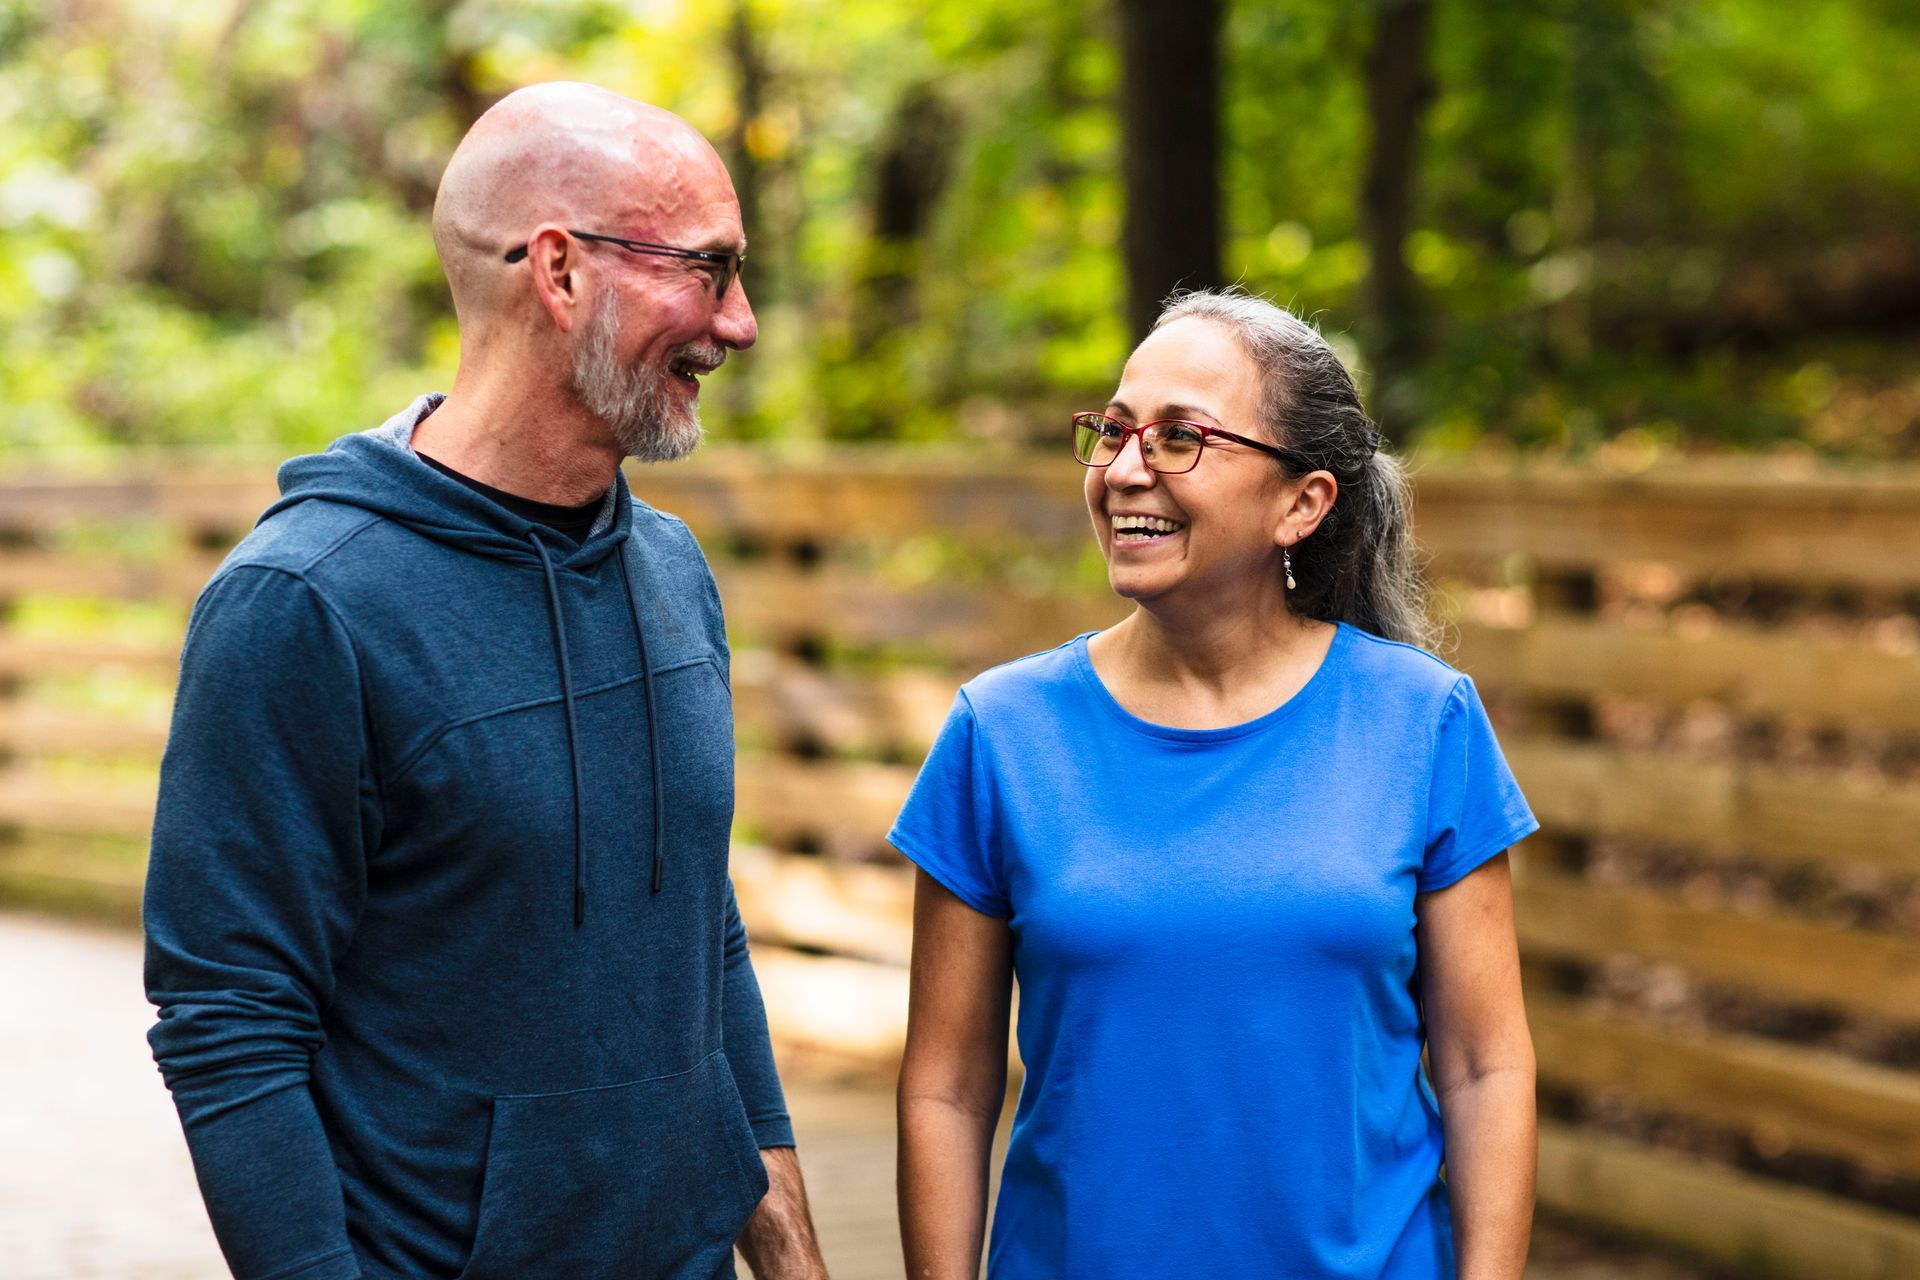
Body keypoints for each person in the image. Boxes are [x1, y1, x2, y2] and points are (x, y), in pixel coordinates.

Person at [144, 83, 829, 1280]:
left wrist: (789, 1253)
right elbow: (230, 1023)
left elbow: (696, 940)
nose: (742, 322)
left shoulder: (670, 569)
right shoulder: (304, 603)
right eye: (708, 270)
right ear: (559, 271)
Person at [893, 290, 1539, 1279]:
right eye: (1112, 430)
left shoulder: (1424, 721)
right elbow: (946, 1084)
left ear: (1302, 502)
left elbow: (1484, 1067)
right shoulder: (1002, 732)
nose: (1123, 467)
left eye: (1179, 437)